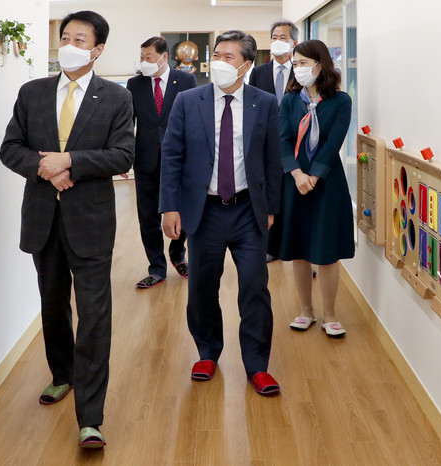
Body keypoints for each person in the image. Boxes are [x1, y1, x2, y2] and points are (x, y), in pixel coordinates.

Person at [0, 11, 134, 448]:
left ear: (97, 49)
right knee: (53, 305)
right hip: (44, 219)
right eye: (66, 37)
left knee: (94, 316)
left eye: (80, 40)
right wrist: (46, 168)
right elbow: (10, 148)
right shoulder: (32, 93)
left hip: (90, 222)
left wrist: (70, 161)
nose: (69, 46)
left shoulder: (116, 97)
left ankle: (90, 418)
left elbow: (123, 155)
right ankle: (62, 374)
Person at [160, 30, 282, 395]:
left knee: (254, 288)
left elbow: (272, 159)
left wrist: (271, 208)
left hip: (248, 210)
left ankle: (257, 365)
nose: (219, 62)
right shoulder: (188, 101)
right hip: (204, 211)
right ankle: (207, 352)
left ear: (247, 65)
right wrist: (169, 206)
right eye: (217, 55)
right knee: (202, 287)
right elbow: (172, 155)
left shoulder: (264, 103)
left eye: (229, 57)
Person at [270, 39, 354, 337]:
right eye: (295, 63)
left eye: (303, 63)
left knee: (327, 250)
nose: (298, 69)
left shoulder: (341, 101)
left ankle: (330, 314)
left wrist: (314, 176)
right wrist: (296, 174)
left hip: (327, 182)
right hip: (294, 182)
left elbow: (333, 143)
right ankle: (306, 311)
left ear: (320, 64)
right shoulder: (290, 100)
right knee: (299, 250)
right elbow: (282, 139)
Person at [127, 37, 197, 289]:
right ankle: (156, 267)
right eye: (142, 58)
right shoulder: (135, 84)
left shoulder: (186, 80)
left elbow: (193, 120)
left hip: (180, 160)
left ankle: (178, 254)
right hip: (145, 159)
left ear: (164, 56)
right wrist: (125, 157)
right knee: (148, 217)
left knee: (183, 211)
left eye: (148, 57)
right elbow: (128, 123)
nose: (143, 62)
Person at [249, 20, 298, 263]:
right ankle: (270, 246)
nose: (277, 41)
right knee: (269, 193)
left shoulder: (301, 72)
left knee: (292, 196)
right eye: (274, 37)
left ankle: (296, 249)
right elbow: (250, 106)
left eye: (283, 37)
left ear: (294, 43)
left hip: (294, 143)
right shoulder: (258, 73)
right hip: (265, 142)